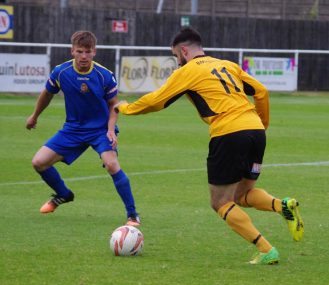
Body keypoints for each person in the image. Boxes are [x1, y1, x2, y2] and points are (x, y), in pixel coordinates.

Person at [114, 27, 304, 264]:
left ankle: (266, 250)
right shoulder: (228, 65)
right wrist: (260, 125)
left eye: (176, 56)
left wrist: (126, 107)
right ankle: (282, 205)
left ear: (184, 51)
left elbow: (157, 100)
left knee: (220, 202)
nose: (177, 61)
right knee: (241, 194)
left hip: (228, 133)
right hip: (255, 131)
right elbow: (261, 91)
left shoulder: (188, 71)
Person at [26, 30, 140, 226]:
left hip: (100, 130)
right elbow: (47, 94)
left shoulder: (104, 75)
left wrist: (111, 130)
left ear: (94, 52)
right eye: (80, 51)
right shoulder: (61, 72)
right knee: (38, 162)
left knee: (112, 165)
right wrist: (35, 116)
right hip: (73, 130)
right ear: (72, 51)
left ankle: (132, 215)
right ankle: (63, 194)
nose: (84, 56)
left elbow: (115, 105)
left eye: (88, 52)